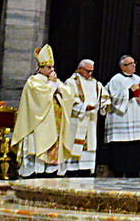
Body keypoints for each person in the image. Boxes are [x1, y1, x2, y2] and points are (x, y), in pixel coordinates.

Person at [13, 46, 78, 177]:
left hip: (55, 121)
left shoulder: (53, 80)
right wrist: (52, 85)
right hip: (39, 123)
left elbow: (68, 93)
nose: (52, 70)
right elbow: (39, 99)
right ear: (40, 68)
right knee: (39, 143)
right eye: (48, 67)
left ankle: (52, 169)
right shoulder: (33, 81)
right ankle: (36, 170)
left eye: (52, 67)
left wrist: (59, 88)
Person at [103, 54, 140, 178]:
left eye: (134, 63)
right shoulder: (116, 79)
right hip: (121, 119)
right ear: (122, 67)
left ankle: (133, 173)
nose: (134, 65)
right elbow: (113, 98)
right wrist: (129, 91)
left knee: (134, 151)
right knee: (121, 152)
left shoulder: (138, 79)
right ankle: (118, 174)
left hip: (135, 118)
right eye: (130, 64)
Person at [63, 59, 103, 176]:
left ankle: (86, 169)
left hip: (90, 120)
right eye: (87, 71)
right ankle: (71, 170)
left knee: (89, 145)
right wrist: (84, 107)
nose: (90, 74)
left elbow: (104, 96)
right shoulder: (71, 82)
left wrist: (104, 104)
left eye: (91, 71)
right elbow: (69, 100)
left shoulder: (95, 84)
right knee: (74, 145)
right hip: (77, 120)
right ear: (80, 69)